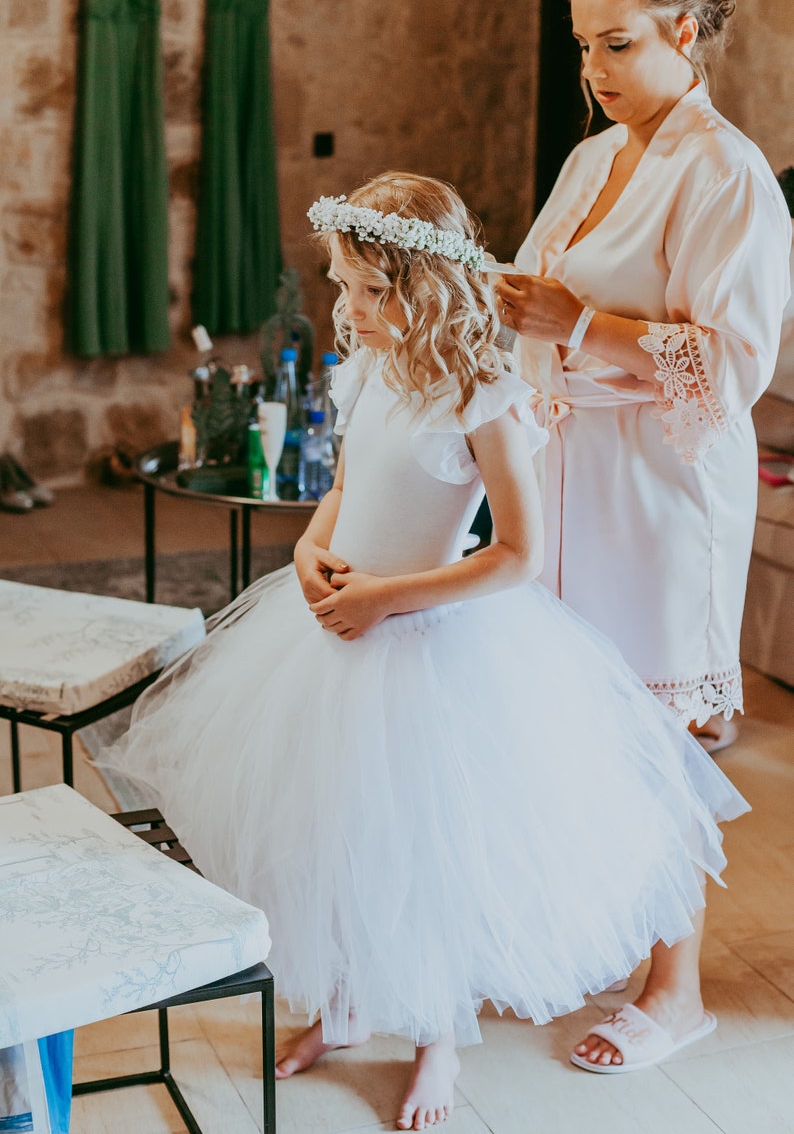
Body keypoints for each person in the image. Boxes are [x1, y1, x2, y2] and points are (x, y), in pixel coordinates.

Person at [108, 172, 748, 1128]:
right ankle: (342, 1004)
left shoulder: (482, 394)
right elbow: (344, 487)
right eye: (343, 285)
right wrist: (309, 547)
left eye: (372, 290)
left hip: (431, 648)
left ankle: (437, 1043)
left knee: (424, 853)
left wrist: (386, 601)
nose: (350, 309)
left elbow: (518, 555)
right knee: (329, 828)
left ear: (427, 288)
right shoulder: (366, 370)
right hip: (330, 633)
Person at [494, 0, 791, 1074]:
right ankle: (599, 939)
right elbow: (535, 309)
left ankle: (673, 994)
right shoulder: (586, 163)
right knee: (576, 730)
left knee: (653, 742)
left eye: (615, 43)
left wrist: (571, 323)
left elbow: (727, 369)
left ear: (683, 34)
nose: (595, 69)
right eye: (582, 46)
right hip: (566, 475)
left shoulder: (727, 175)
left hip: (662, 498)